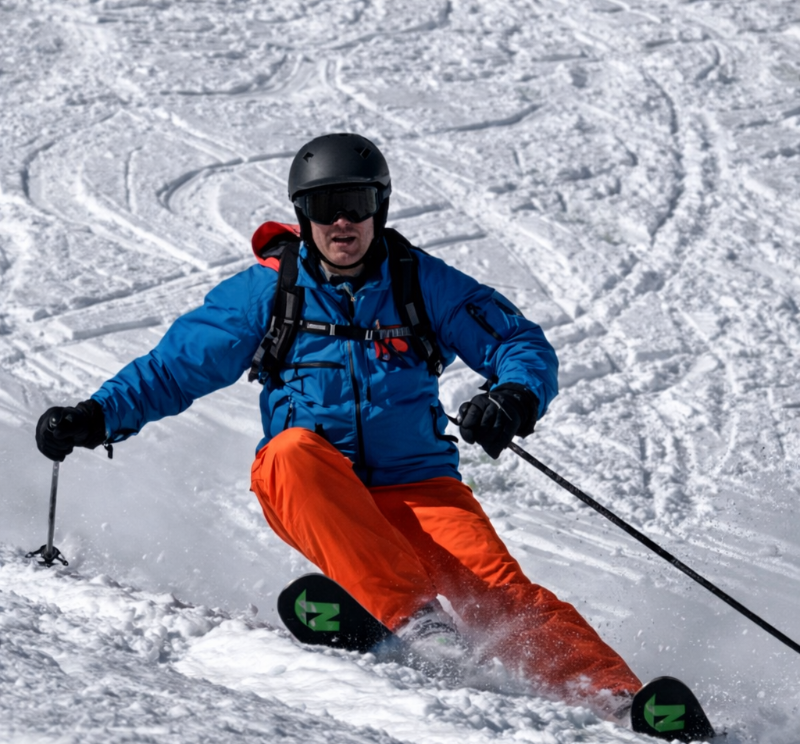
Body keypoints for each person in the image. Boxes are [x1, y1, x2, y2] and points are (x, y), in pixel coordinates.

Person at [36, 132, 641, 714]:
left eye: (354, 204)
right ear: (303, 216)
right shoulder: (270, 294)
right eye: (326, 207)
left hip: (419, 486)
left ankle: (615, 698)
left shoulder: (421, 284)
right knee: (291, 450)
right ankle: (414, 621)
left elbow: (519, 343)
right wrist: (96, 415)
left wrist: (513, 395)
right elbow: (174, 369)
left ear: (378, 208)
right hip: (314, 486)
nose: (341, 223)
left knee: (498, 592)